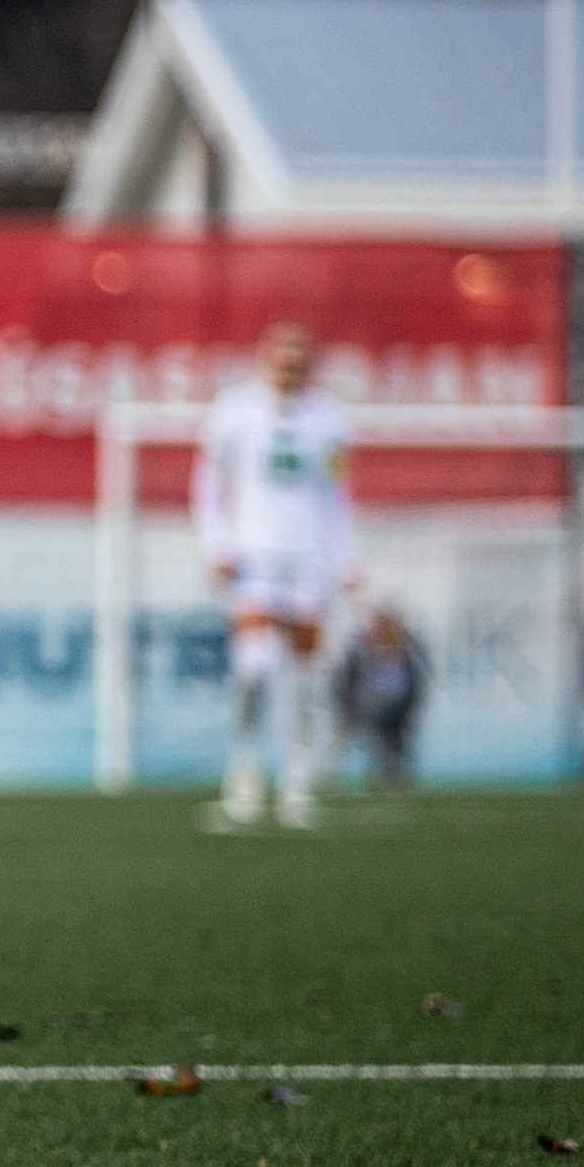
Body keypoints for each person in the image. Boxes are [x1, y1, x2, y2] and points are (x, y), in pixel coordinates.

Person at [193, 318, 361, 828]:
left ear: (310, 366)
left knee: (307, 677)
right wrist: (216, 544)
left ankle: (296, 783)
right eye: (283, 360)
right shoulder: (234, 412)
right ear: (266, 360)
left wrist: (346, 557)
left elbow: (336, 493)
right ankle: (243, 774)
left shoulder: (328, 419)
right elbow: (208, 484)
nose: (291, 370)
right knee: (255, 667)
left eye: (299, 362)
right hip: (255, 557)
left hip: (309, 558)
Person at [332, 604, 427, 790]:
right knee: (359, 733)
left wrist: (407, 706)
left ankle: (395, 772)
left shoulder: (404, 652)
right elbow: (349, 681)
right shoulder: (363, 651)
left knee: (394, 738)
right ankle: (337, 771)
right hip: (369, 706)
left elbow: (412, 684)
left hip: (397, 707)